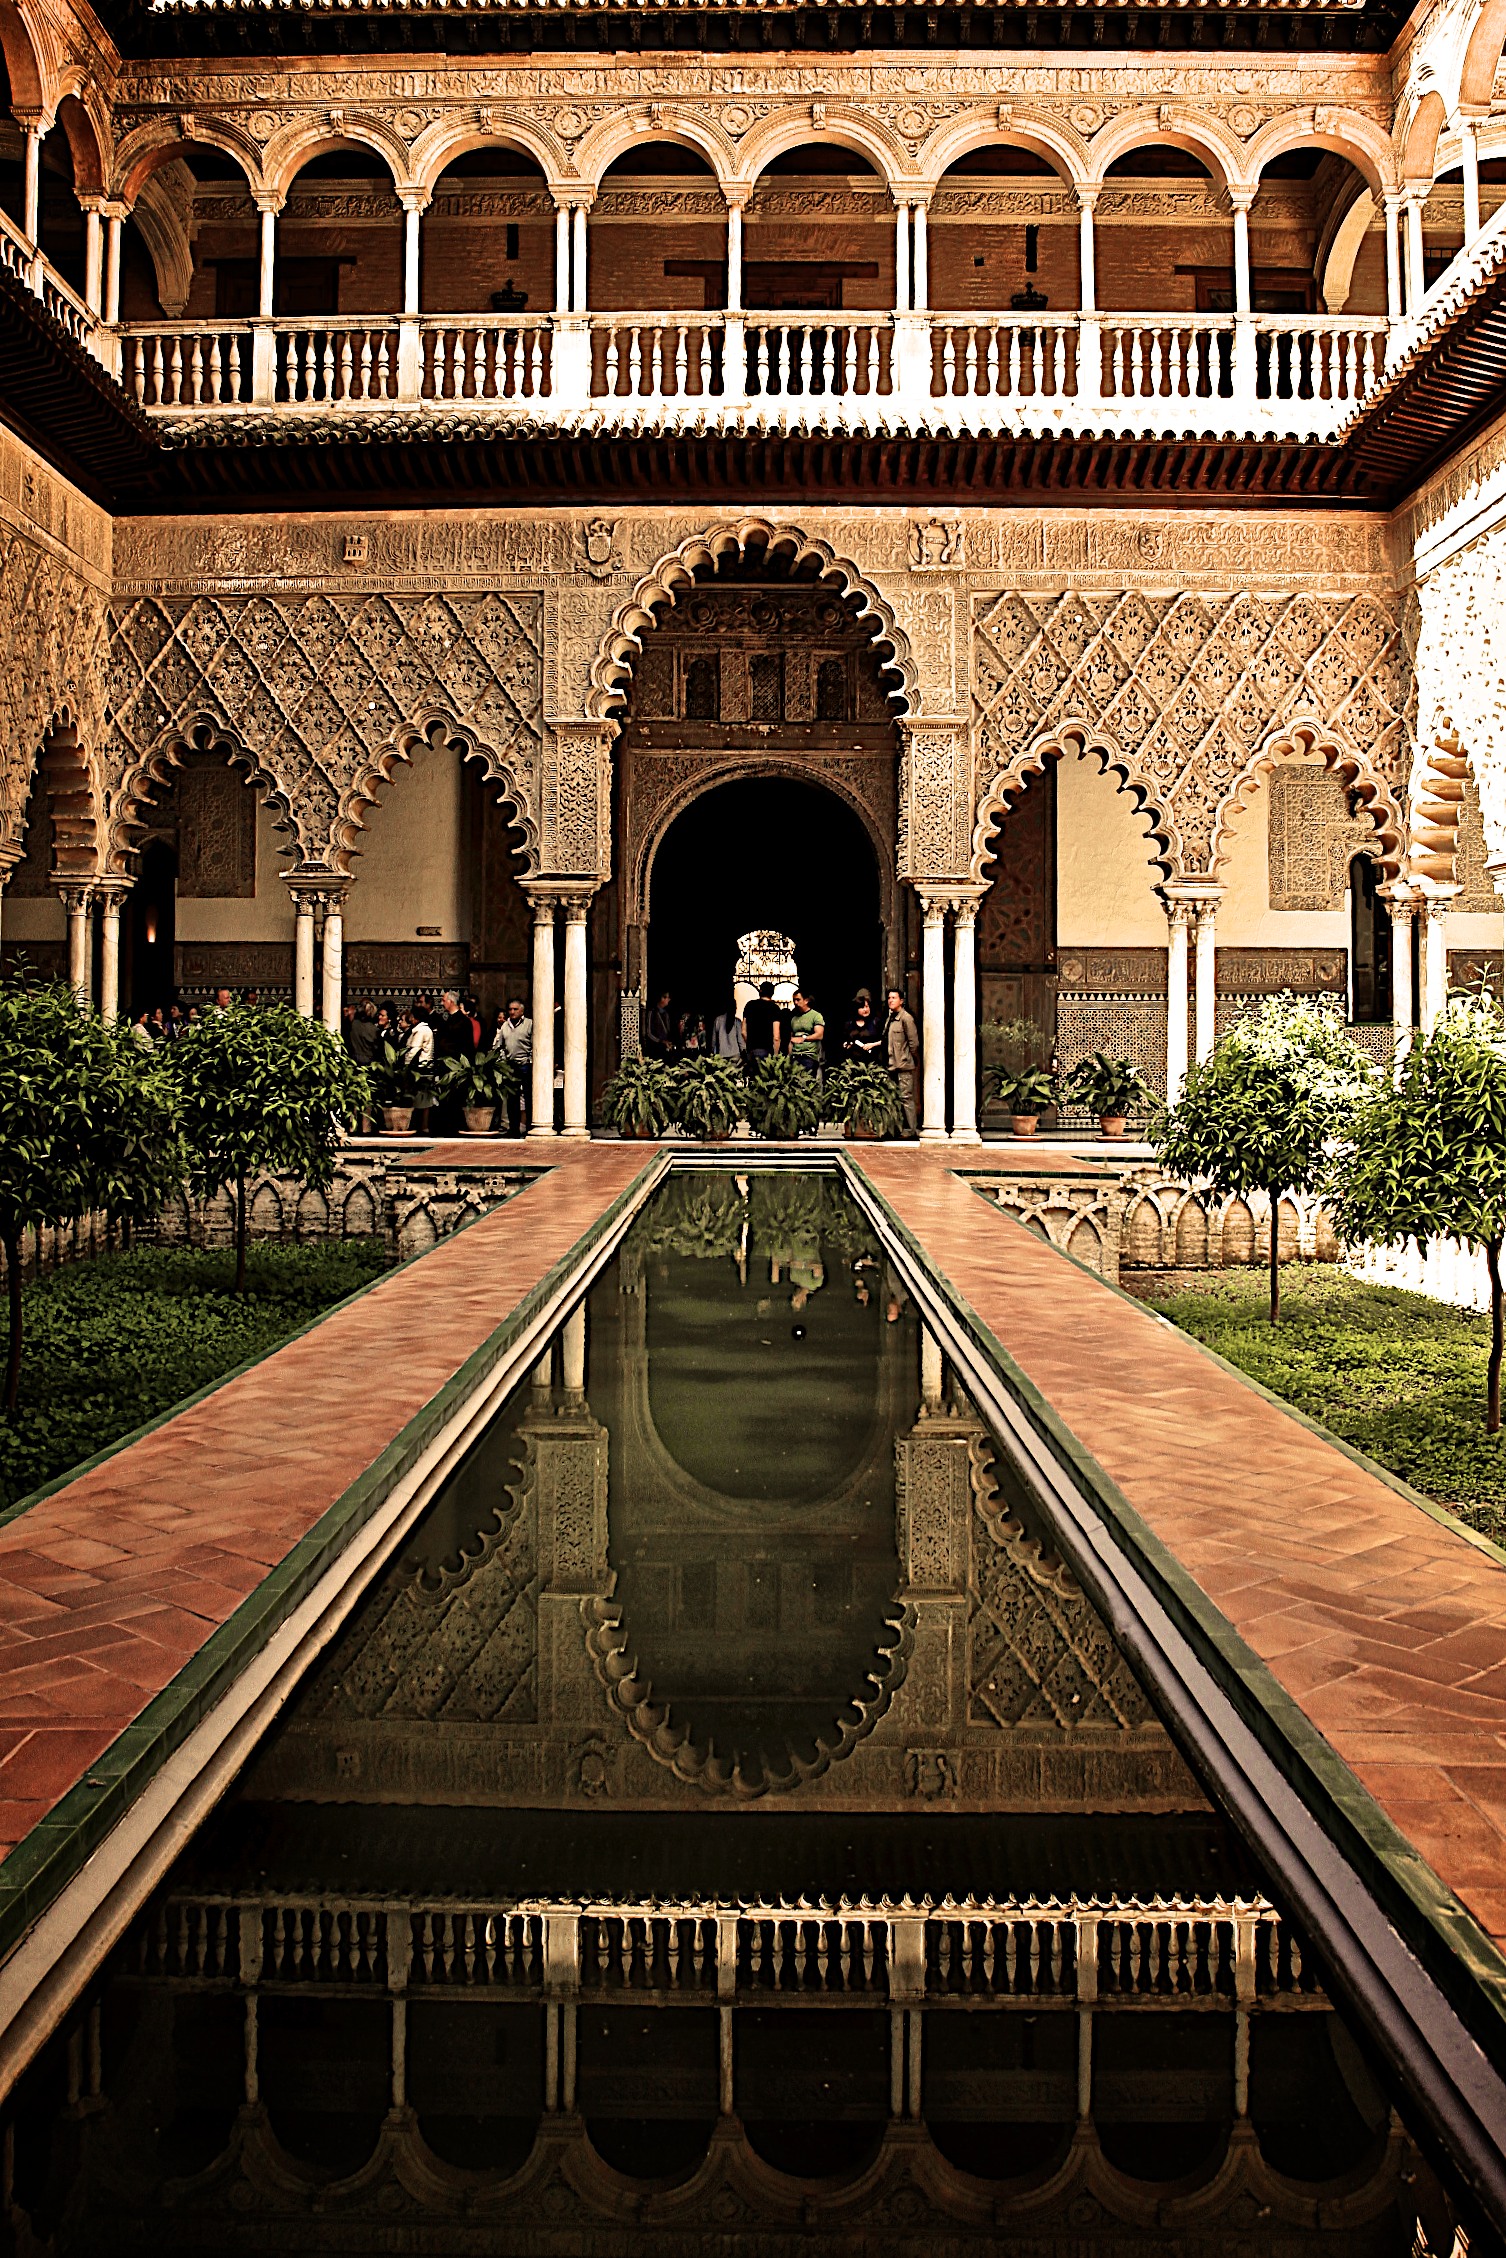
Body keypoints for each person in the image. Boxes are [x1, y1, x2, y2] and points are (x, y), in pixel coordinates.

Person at [884, 985, 921, 1135]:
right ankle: (895, 1128)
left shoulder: (906, 1018)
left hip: (903, 1065)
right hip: (891, 1065)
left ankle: (911, 1129)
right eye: (889, 998)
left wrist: (911, 1059)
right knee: (892, 1098)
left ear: (901, 1001)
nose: (890, 1000)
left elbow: (914, 1043)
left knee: (906, 1097)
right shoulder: (890, 1018)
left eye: (894, 998)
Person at [494, 997, 532, 1136]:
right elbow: (500, 1046)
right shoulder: (505, 1026)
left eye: (515, 1009)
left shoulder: (529, 1024)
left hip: (525, 1065)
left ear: (521, 1010)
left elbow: (535, 1044)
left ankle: (530, 1127)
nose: (512, 1012)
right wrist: (503, 1061)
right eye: (510, 1009)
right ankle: (514, 1129)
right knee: (512, 1099)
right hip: (510, 1066)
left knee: (528, 1097)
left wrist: (530, 1060)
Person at [742, 982, 780, 1072]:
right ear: (772, 993)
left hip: (751, 1050)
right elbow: (776, 1036)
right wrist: (776, 1056)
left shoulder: (749, 1005)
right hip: (767, 1051)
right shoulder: (774, 1008)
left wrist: (750, 1043)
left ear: (760, 991)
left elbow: (743, 1031)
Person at [788, 989, 825, 1070]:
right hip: (795, 1056)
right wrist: (789, 1056)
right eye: (794, 1000)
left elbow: (819, 1035)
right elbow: (791, 1038)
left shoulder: (816, 1015)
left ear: (806, 1001)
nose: (795, 1002)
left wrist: (803, 1038)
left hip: (809, 1056)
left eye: (798, 1000)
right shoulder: (794, 1018)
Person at [843, 991, 883, 1062]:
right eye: (862, 1007)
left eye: (867, 1006)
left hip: (872, 1062)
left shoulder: (876, 1022)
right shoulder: (849, 1024)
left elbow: (885, 1040)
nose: (865, 1009)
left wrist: (872, 1045)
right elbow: (845, 1040)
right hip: (853, 1062)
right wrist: (847, 1045)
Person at [346, 998, 381, 1068]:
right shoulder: (374, 1029)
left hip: (353, 1060)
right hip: (369, 1063)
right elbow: (377, 1048)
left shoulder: (353, 1025)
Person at [644, 991, 677, 1062]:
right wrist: (661, 1041)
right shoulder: (652, 1012)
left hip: (665, 1048)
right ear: (662, 998)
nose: (669, 1000)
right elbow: (648, 1033)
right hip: (655, 1049)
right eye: (668, 998)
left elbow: (668, 1031)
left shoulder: (666, 1013)